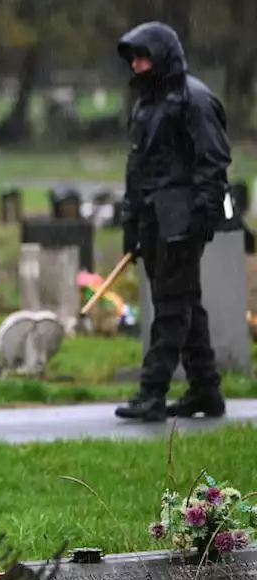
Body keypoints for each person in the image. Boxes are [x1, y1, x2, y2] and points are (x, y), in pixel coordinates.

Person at [113, 22, 231, 423]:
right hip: (154, 220)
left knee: (170, 306)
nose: (137, 65)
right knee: (186, 305)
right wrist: (131, 220)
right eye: (133, 59)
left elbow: (213, 163)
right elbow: (138, 167)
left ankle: (152, 389)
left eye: (144, 56)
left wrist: (200, 217)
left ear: (162, 56)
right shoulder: (147, 103)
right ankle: (205, 389)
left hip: (181, 220)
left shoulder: (193, 101)